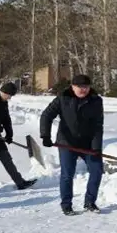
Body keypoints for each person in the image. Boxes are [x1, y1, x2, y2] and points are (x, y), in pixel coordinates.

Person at [40, 74, 104, 215]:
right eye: (80, 87)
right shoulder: (63, 98)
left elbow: (98, 125)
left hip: (88, 143)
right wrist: (45, 135)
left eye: (86, 87)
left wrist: (97, 147)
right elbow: (46, 115)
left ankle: (90, 202)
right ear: (73, 87)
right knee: (67, 174)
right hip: (67, 143)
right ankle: (66, 205)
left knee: (97, 171)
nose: (84, 90)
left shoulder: (96, 100)